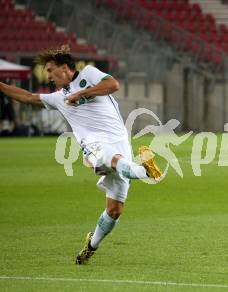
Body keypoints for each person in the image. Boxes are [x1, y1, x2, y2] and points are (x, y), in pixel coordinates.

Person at [0, 45, 162, 264]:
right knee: (107, 158)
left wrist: (83, 93)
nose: (48, 76)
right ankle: (146, 170)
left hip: (120, 142)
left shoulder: (88, 75)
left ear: (65, 68)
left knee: (114, 211)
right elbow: (28, 97)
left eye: (50, 70)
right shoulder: (58, 98)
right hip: (94, 145)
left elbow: (112, 84)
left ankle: (90, 246)